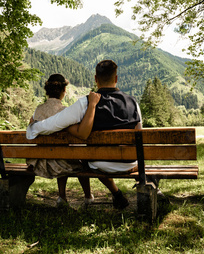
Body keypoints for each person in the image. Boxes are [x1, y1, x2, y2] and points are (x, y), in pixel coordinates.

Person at [27, 60, 142, 209]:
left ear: (95, 79)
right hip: (130, 162)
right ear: (116, 79)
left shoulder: (85, 103)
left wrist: (34, 127)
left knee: (89, 161)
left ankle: (115, 193)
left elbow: (54, 123)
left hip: (99, 164)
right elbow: (139, 133)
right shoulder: (133, 102)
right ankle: (122, 193)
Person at [27, 73, 101, 207]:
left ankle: (62, 197)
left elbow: (31, 127)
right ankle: (88, 196)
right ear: (64, 91)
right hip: (60, 162)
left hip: (39, 162)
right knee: (79, 161)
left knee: (59, 153)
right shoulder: (64, 112)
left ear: (47, 91)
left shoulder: (37, 110)